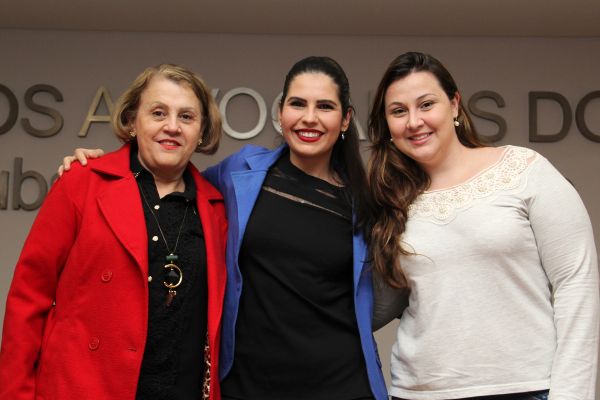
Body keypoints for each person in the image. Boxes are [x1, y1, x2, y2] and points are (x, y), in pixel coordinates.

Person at [56, 56, 388, 399]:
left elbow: (390, 296)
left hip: (342, 384)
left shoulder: (365, 201)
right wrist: (104, 165)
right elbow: (170, 178)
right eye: (297, 103)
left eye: (325, 106)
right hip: (248, 386)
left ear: (345, 118)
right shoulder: (240, 172)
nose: (309, 117)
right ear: (280, 112)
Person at [367, 51, 599, 400]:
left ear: (454, 104)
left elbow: (576, 282)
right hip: (418, 393)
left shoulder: (524, 169)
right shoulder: (390, 201)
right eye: (398, 111)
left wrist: (572, 395)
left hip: (524, 389)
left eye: (426, 104)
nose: (414, 121)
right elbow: (374, 308)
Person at [0, 64, 227, 400]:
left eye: (187, 116)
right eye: (158, 112)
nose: (172, 126)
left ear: (202, 130)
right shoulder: (82, 183)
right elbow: (28, 299)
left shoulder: (216, 208)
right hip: (85, 389)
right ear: (132, 121)